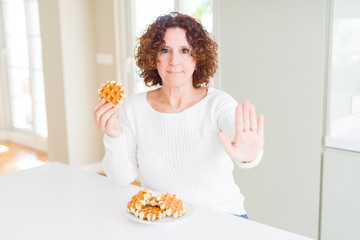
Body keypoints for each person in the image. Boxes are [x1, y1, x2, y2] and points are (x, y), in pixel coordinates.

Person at [93, 12, 264, 219]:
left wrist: (249, 156)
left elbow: (243, 147)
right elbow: (120, 179)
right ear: (154, 57)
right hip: (162, 219)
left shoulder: (219, 104)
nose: (174, 61)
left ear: (198, 58)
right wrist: (114, 136)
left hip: (222, 218)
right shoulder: (134, 108)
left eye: (185, 50)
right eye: (165, 50)